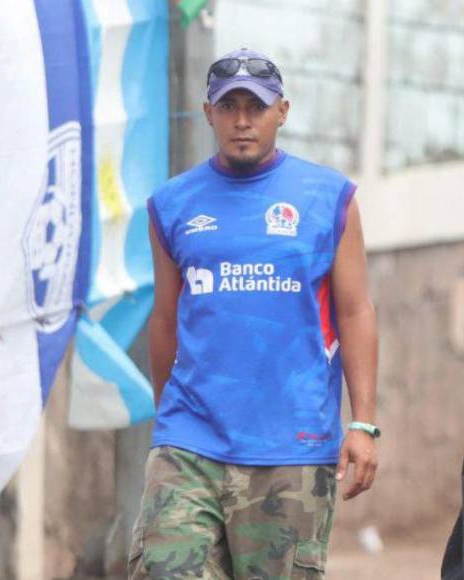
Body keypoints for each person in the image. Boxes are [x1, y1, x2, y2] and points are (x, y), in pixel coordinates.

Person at [128, 48, 379, 579]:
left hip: (292, 447)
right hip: (189, 443)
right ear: (208, 113)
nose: (242, 121)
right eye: (229, 106)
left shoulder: (329, 198)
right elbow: (166, 319)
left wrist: (361, 424)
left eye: (256, 107)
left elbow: (355, 312)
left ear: (281, 112)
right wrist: (170, 419)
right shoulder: (172, 204)